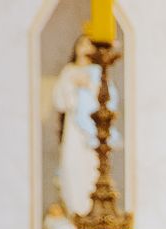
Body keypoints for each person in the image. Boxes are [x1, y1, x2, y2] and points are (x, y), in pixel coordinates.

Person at [51, 34, 122, 217]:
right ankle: (76, 213)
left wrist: (89, 86)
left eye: (90, 44)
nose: (85, 48)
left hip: (93, 132)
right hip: (74, 131)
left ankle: (93, 213)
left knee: (92, 171)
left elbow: (109, 100)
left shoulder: (98, 72)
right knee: (72, 169)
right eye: (82, 43)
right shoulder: (69, 71)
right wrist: (71, 83)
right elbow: (60, 102)